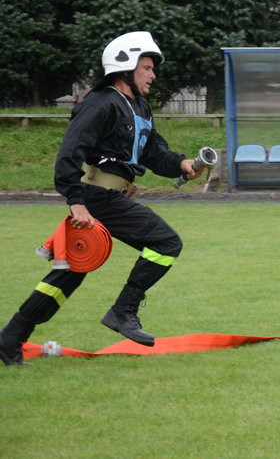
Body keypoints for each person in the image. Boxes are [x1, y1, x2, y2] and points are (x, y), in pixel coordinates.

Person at [0, 31, 202, 365]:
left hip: (107, 199)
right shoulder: (100, 102)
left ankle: (10, 339)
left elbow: (153, 152)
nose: (153, 75)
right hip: (96, 198)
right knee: (166, 243)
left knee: (68, 274)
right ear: (125, 67)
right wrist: (76, 202)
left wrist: (181, 163)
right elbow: (69, 152)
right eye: (148, 67)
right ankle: (123, 312)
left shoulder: (139, 105)